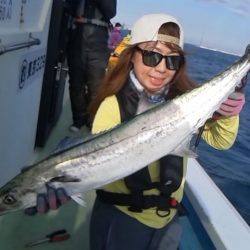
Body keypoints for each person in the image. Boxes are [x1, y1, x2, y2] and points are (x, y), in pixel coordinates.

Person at [25, 13, 246, 250]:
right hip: (122, 220)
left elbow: (220, 141)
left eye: (172, 60)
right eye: (152, 56)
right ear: (132, 56)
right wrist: (70, 185)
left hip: (169, 219)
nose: (161, 68)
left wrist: (228, 114)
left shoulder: (186, 101)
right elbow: (100, 162)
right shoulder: (112, 106)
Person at [66, 0, 117, 132]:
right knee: (76, 84)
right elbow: (68, 8)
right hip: (76, 36)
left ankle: (92, 120)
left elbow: (111, 12)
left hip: (98, 40)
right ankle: (78, 120)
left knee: (96, 86)